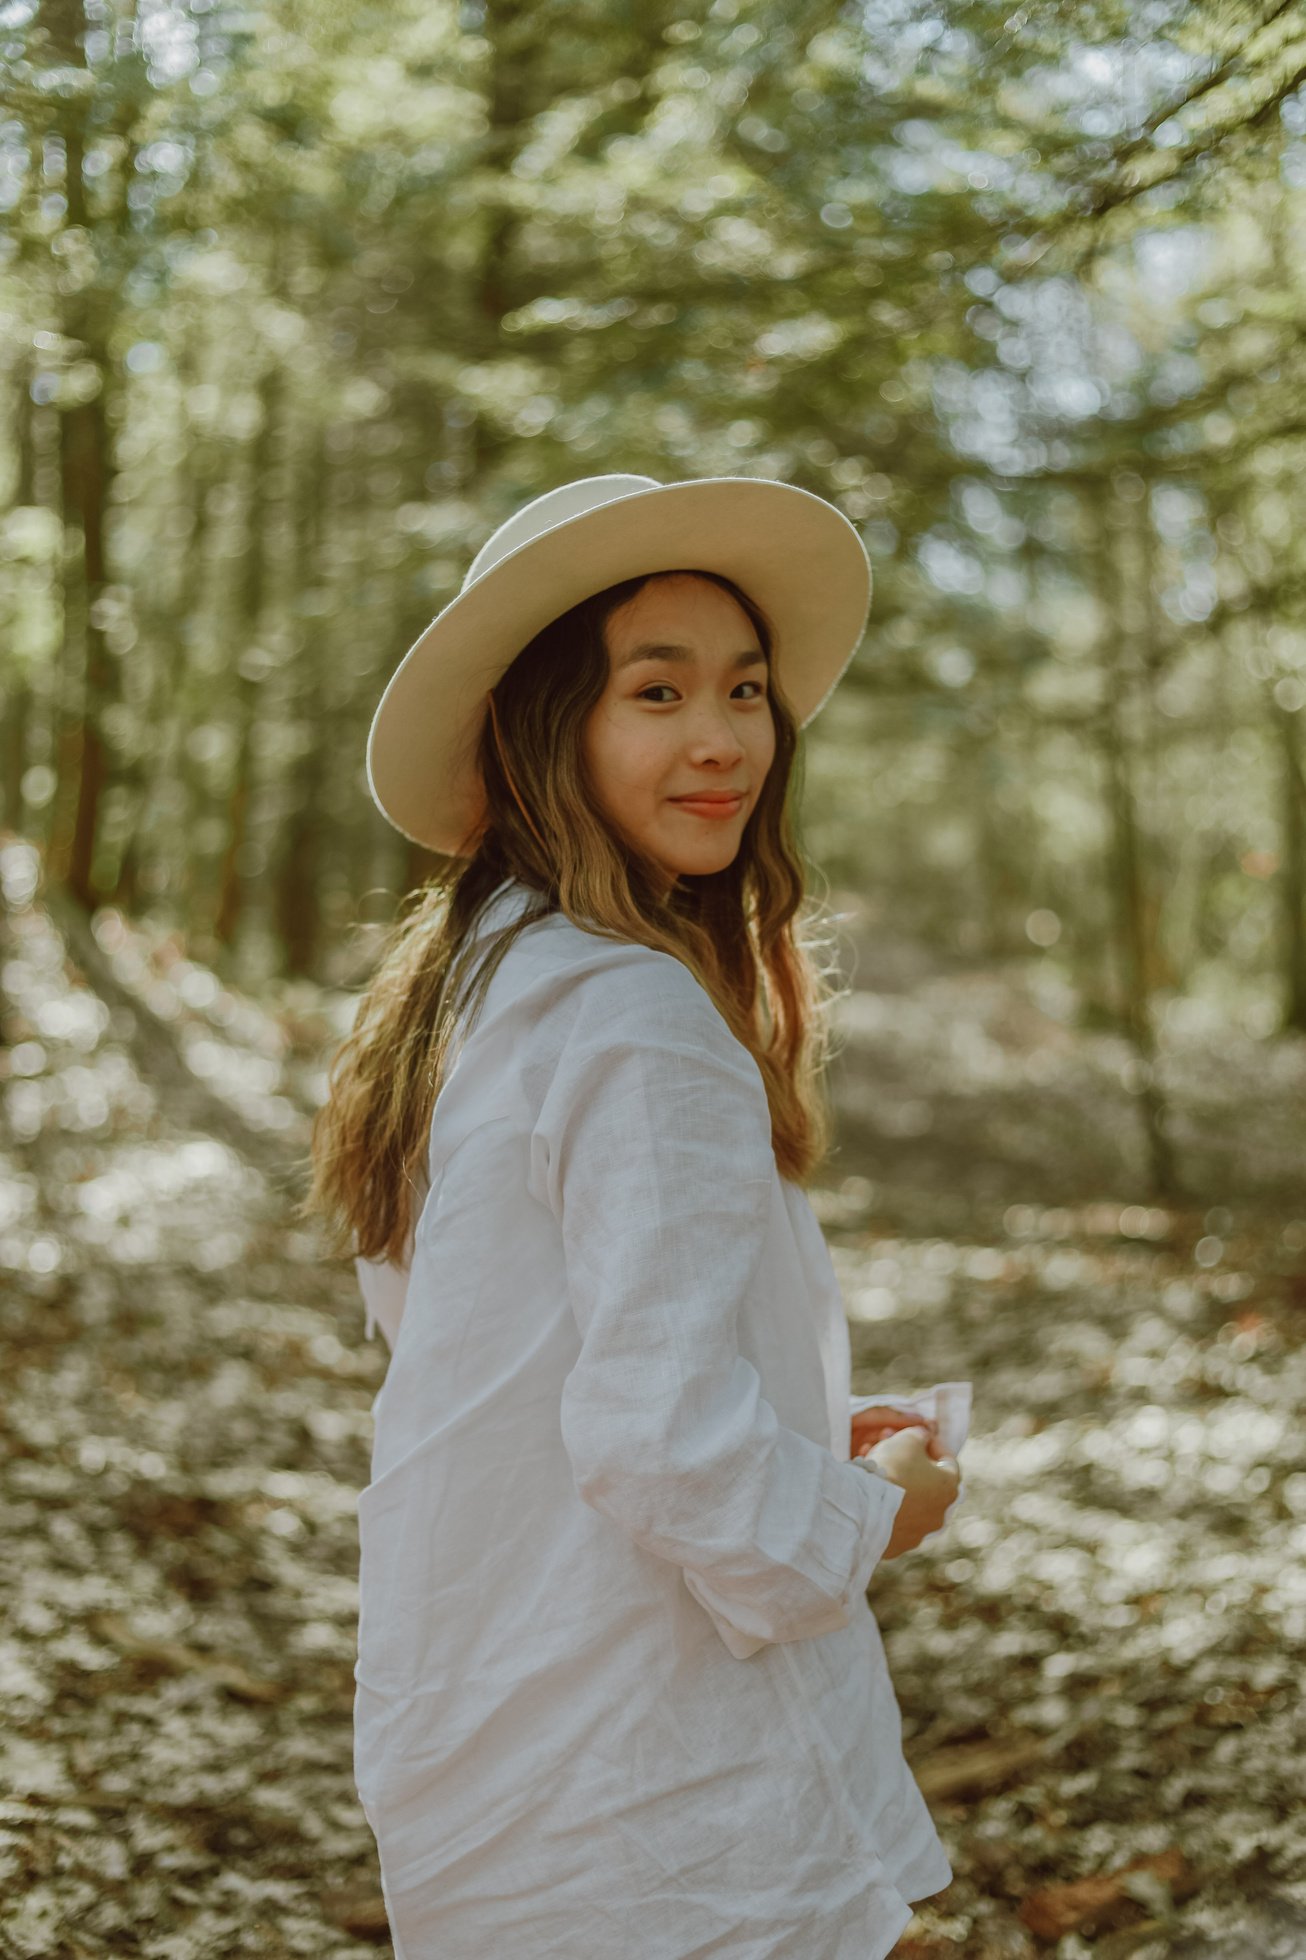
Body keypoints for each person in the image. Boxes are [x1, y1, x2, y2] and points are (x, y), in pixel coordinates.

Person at [302, 472, 966, 1959]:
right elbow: (655, 1435)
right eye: (654, 691)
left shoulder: (478, 982)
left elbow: (541, 1356)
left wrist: (801, 1426)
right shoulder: (630, 1014)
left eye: (743, 689)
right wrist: (878, 1511)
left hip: (488, 1700)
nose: (724, 738)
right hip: (641, 1763)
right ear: (550, 725)